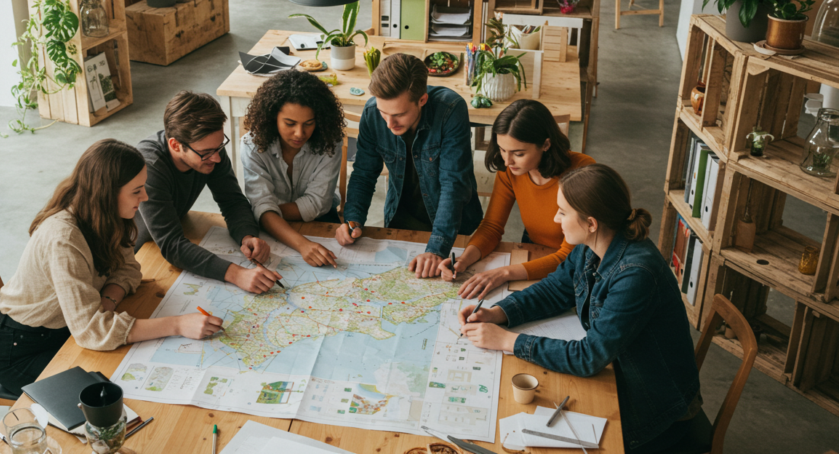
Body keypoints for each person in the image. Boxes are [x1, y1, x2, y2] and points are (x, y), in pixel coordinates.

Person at [459, 164, 704, 454]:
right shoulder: (593, 244)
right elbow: (556, 289)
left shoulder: (636, 273)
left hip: (652, 409)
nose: (555, 218)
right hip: (620, 374)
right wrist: (499, 312)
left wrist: (506, 341)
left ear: (591, 222)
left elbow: (589, 357)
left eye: (562, 212)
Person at [0, 139, 224, 394]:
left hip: (69, 328)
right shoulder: (64, 238)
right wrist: (177, 325)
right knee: (116, 393)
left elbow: (129, 268)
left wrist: (108, 300)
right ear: (108, 192)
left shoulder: (106, 214)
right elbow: (91, 331)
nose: (145, 197)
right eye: (136, 191)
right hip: (23, 350)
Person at [336, 53, 483, 276]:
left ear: (422, 100)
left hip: (454, 228)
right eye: (383, 112)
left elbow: (453, 185)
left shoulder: (451, 109)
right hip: (400, 222)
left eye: (399, 114)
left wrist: (436, 249)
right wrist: (352, 220)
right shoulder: (371, 112)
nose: (389, 123)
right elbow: (364, 174)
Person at [135, 91, 280, 294]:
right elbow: (171, 244)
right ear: (176, 145)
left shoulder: (211, 151)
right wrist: (236, 274)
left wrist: (246, 235)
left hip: (167, 235)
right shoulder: (149, 167)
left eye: (219, 147)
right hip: (134, 251)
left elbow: (232, 201)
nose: (217, 159)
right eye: (206, 153)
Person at [448, 100, 595, 298]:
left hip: (579, 261)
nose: (507, 161)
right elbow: (492, 226)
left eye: (518, 153)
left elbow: (569, 254)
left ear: (546, 144)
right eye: (502, 149)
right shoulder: (509, 170)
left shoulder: (582, 170)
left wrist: (504, 273)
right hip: (534, 248)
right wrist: (463, 261)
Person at [241, 70, 346, 267]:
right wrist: (303, 244)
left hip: (320, 219)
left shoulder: (329, 141)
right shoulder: (251, 145)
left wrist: (266, 213)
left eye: (309, 123)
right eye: (290, 123)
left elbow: (318, 203)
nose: (300, 133)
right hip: (271, 226)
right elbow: (262, 205)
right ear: (273, 118)